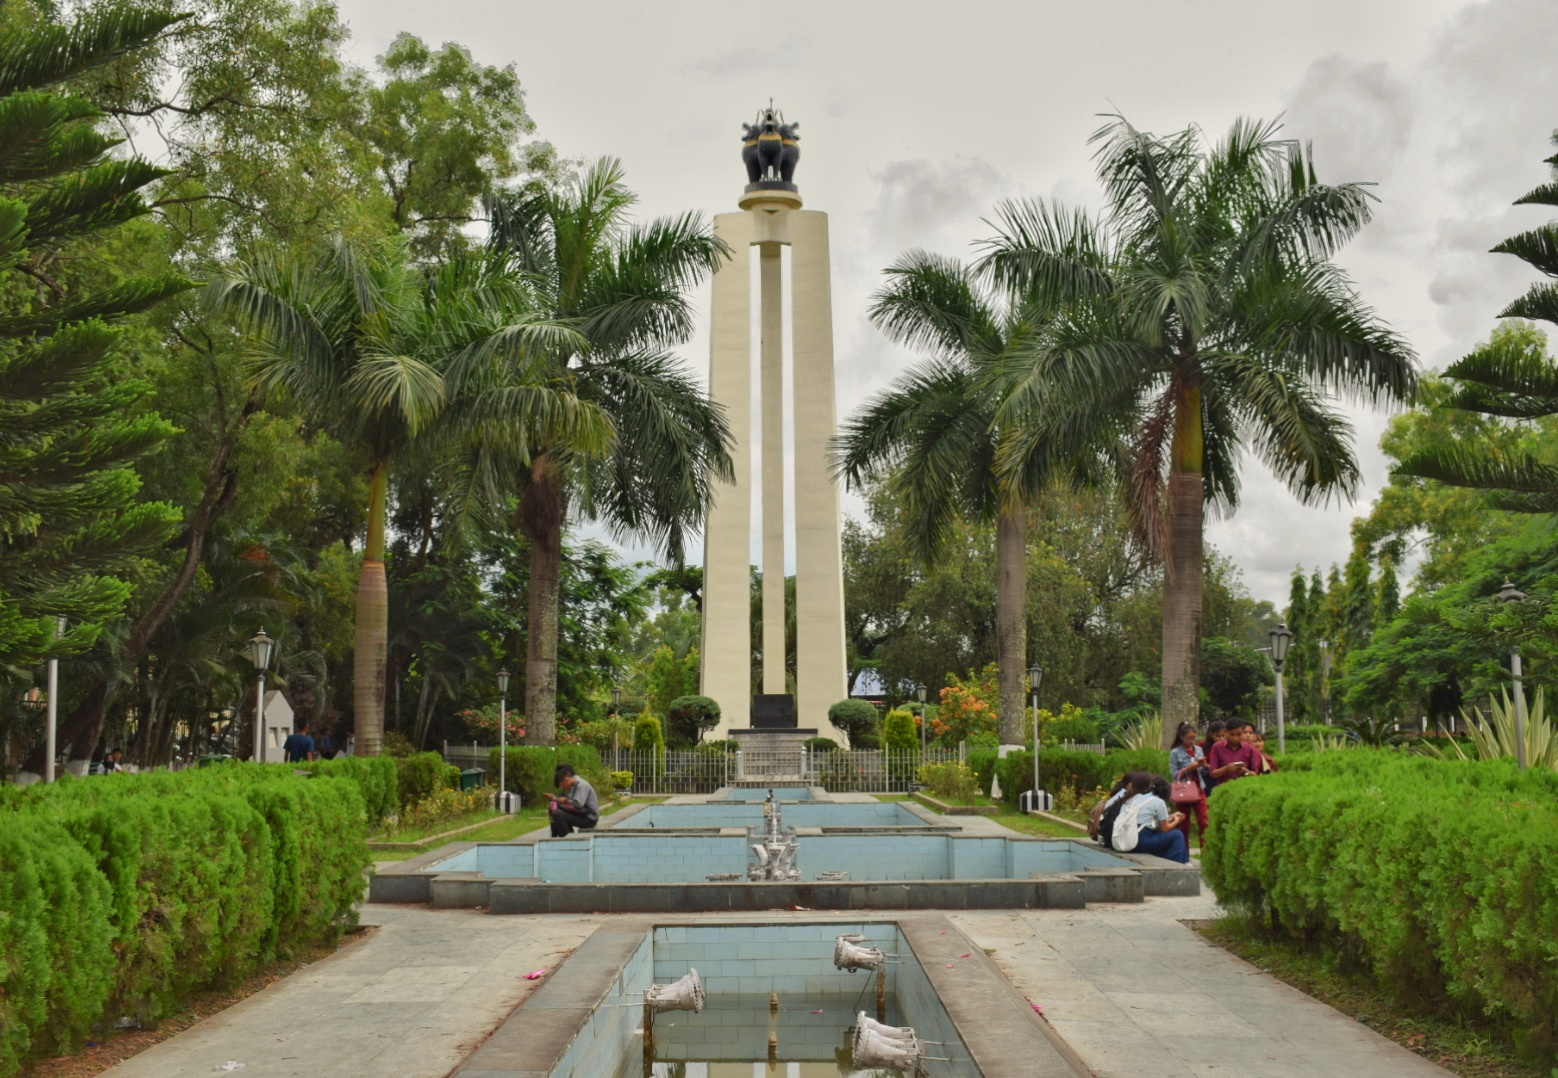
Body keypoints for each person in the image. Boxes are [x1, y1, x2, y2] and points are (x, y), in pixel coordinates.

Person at [1116, 773, 1190, 863]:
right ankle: (1180, 865)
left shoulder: (1139, 797)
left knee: (1169, 836)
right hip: (1141, 839)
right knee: (1177, 835)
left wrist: (1171, 817)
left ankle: (1178, 862)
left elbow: (1146, 819)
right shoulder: (1159, 802)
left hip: (1128, 836)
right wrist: (1178, 820)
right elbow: (1165, 828)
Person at [1168, 722, 1209, 846]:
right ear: (1181, 737)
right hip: (1184, 791)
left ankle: (1205, 852)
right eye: (1188, 738)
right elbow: (1174, 774)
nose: (1191, 741)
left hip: (1199, 789)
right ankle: (1184, 853)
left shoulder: (1199, 750)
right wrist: (1187, 769)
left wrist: (1205, 766)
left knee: (1204, 821)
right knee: (1184, 825)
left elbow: (1204, 771)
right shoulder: (1175, 753)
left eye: (1193, 738)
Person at [547, 764, 600, 837]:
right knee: (553, 807)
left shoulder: (581, 785)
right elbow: (569, 801)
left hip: (589, 818)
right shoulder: (574, 785)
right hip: (582, 813)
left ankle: (568, 839)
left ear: (566, 779)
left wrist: (563, 801)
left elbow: (578, 804)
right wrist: (556, 801)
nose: (563, 787)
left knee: (557, 813)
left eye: (562, 785)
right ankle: (554, 836)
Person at [1206, 719, 1260, 784]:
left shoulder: (1249, 749)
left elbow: (1255, 775)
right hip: (1223, 789)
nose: (1235, 738)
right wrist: (1226, 769)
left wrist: (1245, 771)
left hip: (1244, 787)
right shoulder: (1217, 747)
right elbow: (1212, 773)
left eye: (1239, 735)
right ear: (1225, 732)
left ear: (1243, 732)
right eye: (1232, 734)